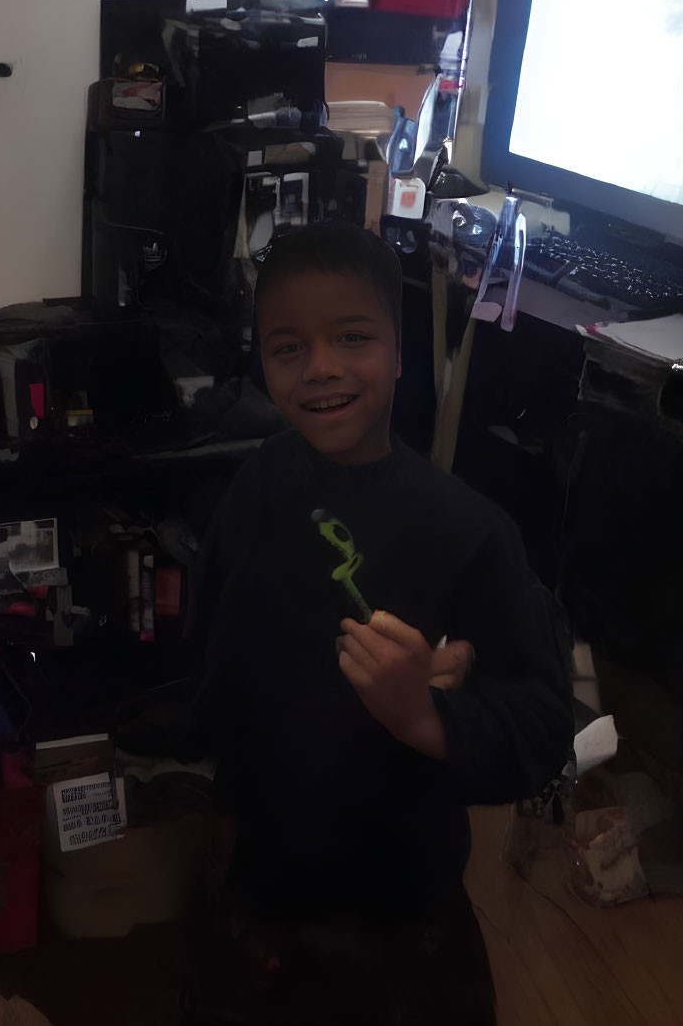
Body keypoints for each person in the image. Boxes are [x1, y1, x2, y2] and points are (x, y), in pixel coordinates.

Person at [188, 224, 573, 1025]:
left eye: (352, 338)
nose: (321, 366)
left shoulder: (467, 532)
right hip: (258, 886)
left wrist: (424, 715)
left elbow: (540, 725)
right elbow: (215, 647)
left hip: (405, 916)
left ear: (399, 352)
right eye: (288, 347)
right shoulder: (258, 483)